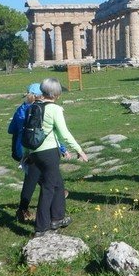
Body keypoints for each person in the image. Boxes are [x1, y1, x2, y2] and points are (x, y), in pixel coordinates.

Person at [30, 77, 88, 236]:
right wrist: (79, 150)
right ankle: (41, 228)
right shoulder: (54, 109)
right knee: (48, 189)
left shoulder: (34, 106)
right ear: (56, 93)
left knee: (58, 184)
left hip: (35, 152)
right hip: (48, 152)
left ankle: (58, 218)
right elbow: (64, 132)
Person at [8, 83, 42, 223]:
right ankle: (23, 210)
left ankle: (59, 192)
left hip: (20, 149)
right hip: (33, 148)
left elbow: (11, 130)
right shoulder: (39, 109)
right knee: (34, 177)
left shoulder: (20, 109)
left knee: (35, 175)